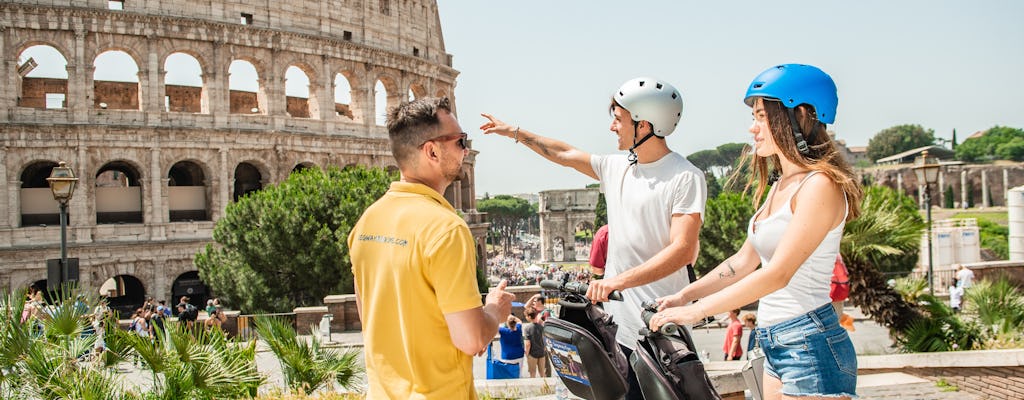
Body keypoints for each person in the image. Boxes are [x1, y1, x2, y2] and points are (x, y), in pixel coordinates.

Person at [482, 77, 706, 400]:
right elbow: (564, 152)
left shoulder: (685, 177)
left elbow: (682, 250)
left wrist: (618, 282)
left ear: (644, 125)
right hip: (619, 332)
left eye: (618, 119)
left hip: (662, 332)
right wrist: (515, 132)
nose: (612, 127)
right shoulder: (616, 167)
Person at [649, 64, 863, 399]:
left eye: (762, 116)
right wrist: (684, 295)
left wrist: (698, 311)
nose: (752, 128)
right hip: (774, 340)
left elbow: (777, 274)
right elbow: (743, 261)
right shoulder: (781, 186)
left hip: (809, 342)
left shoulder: (820, 186)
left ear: (801, 114)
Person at [348, 96, 514, 399]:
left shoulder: (367, 221)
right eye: (460, 141)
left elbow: (370, 314)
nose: (466, 149)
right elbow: (471, 339)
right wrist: (495, 310)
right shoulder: (446, 229)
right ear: (432, 151)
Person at [523, 308, 548, 378]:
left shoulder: (527, 328)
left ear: (530, 317)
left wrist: (527, 354)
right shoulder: (541, 327)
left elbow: (528, 343)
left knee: (532, 374)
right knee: (542, 373)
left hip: (532, 354)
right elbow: (545, 339)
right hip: (542, 353)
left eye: (526, 316)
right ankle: (545, 387)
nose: (526, 317)